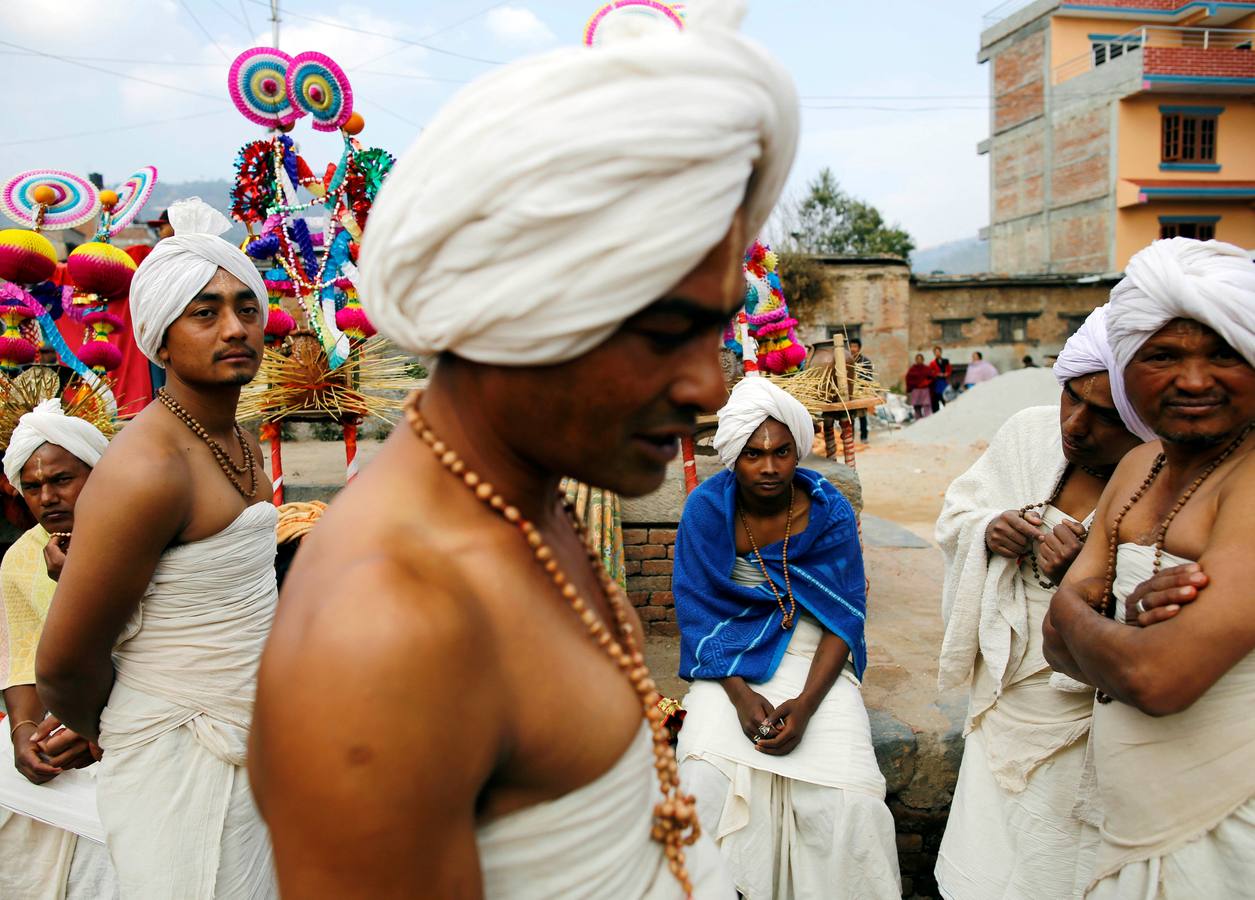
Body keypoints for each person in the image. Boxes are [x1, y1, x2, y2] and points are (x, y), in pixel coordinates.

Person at [249, 4, 797, 897]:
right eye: (667, 330)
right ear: (517, 311)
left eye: (718, 332)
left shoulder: (530, 501)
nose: (709, 387)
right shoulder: (388, 632)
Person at [36, 197, 277, 897]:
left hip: (252, 734)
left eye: (245, 307)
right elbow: (64, 661)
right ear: (159, 340)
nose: (234, 328)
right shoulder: (147, 468)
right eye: (204, 312)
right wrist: (122, 724)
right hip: (176, 758)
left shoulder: (242, 440)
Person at [1043, 237, 1255, 898]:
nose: (1193, 381)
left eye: (1222, 352)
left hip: (1228, 817)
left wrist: (1077, 607)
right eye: (1163, 356)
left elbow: (1156, 679)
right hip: (1125, 813)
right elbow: (1054, 650)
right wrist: (1119, 623)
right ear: (1126, 364)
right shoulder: (1139, 466)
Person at [934, 304, 1142, 899]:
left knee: (1058, 862)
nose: (1075, 424)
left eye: (1104, 415)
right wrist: (988, 531)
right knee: (984, 857)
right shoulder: (1028, 432)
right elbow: (959, 510)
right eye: (1070, 397)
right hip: (1004, 694)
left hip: (1084, 721)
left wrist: (1088, 580)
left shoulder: (1160, 486)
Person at [672, 377, 900, 899]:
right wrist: (739, 695)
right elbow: (698, 613)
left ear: (799, 451)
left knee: (850, 805)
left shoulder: (829, 510)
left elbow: (845, 616)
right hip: (729, 660)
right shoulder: (706, 510)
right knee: (703, 781)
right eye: (753, 454)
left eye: (781, 452)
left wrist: (806, 705)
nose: (769, 467)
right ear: (733, 457)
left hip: (816, 657)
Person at [0, 399, 116, 899]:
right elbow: (22, 656)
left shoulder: (140, 539)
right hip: (61, 724)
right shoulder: (22, 556)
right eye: (32, 486)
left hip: (143, 722)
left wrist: (94, 732)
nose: (47, 497)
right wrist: (24, 733)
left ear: (98, 475)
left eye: (63, 480)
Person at [847, 337, 874, 442]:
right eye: (851, 346)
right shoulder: (846, 360)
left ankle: (864, 437)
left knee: (862, 416)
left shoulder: (865, 361)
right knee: (850, 417)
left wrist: (865, 387)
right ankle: (851, 438)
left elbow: (869, 377)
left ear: (859, 348)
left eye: (855, 346)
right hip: (850, 393)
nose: (853, 349)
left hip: (861, 392)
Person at [905, 353, 933, 420]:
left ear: (923, 360)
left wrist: (926, 383)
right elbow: (908, 378)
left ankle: (928, 420)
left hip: (925, 390)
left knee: (927, 405)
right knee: (917, 407)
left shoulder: (927, 369)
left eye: (920, 359)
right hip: (916, 390)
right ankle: (918, 421)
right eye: (918, 359)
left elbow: (931, 378)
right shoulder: (912, 369)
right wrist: (911, 387)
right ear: (916, 360)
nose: (919, 360)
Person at [929, 345, 952, 413]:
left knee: (945, 397)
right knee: (936, 399)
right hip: (937, 383)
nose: (937, 353)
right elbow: (931, 372)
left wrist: (946, 374)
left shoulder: (946, 361)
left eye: (938, 352)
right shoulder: (932, 363)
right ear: (934, 353)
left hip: (944, 382)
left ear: (941, 352)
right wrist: (937, 374)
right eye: (936, 352)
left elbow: (949, 370)